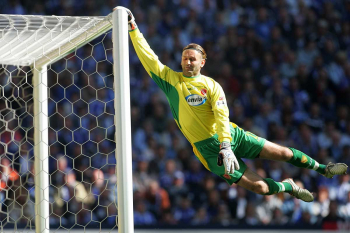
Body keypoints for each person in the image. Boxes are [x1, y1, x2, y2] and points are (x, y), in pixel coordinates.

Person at [115, 7, 348, 202]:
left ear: (202, 62)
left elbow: (221, 116)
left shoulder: (212, 86)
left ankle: (323, 169)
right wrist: (133, 28)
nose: (187, 61)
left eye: (192, 58)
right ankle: (288, 186)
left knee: (283, 153)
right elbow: (149, 58)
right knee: (261, 189)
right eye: (184, 57)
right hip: (208, 151)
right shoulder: (171, 81)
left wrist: (226, 145)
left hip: (232, 136)